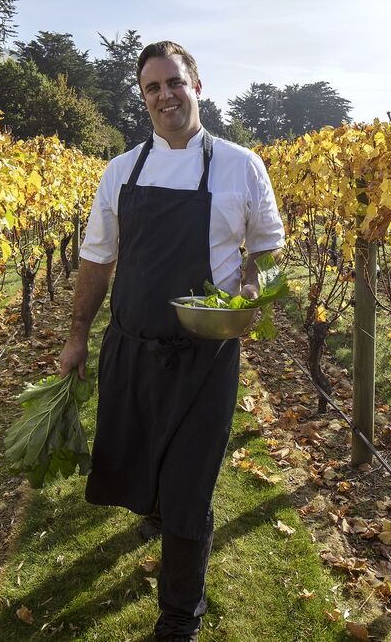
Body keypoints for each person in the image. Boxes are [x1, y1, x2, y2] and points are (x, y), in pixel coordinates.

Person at [57, 41, 285, 641]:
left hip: (205, 354)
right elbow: (96, 258)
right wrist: (78, 334)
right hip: (131, 348)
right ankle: (156, 510)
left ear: (198, 85)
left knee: (190, 483)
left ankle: (179, 615)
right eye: (152, 88)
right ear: (143, 98)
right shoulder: (122, 169)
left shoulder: (240, 166)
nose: (165, 96)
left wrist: (253, 292)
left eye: (174, 83)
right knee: (140, 463)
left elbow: (267, 246)